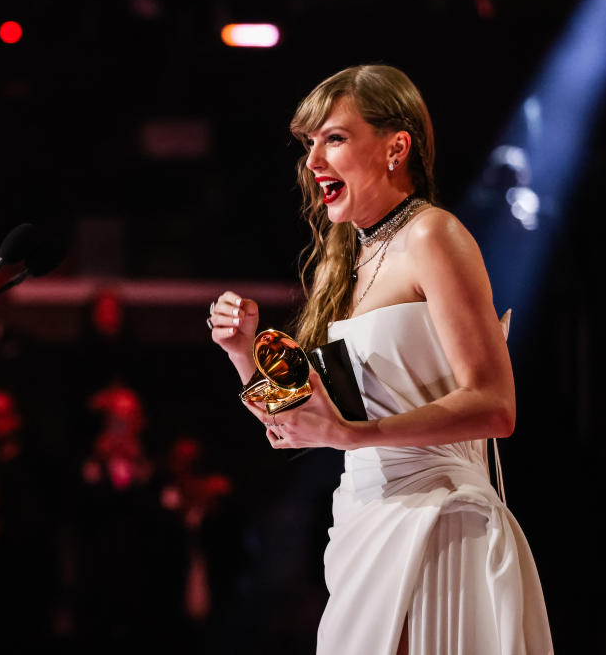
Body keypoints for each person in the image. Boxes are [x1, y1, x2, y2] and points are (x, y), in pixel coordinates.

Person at [208, 65, 553, 654]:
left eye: (335, 138)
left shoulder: (432, 235)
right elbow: (294, 430)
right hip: (367, 516)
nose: (314, 159)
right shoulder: (345, 265)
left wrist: (354, 432)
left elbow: (495, 407)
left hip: (439, 517)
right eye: (310, 143)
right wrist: (243, 353)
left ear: (397, 146)